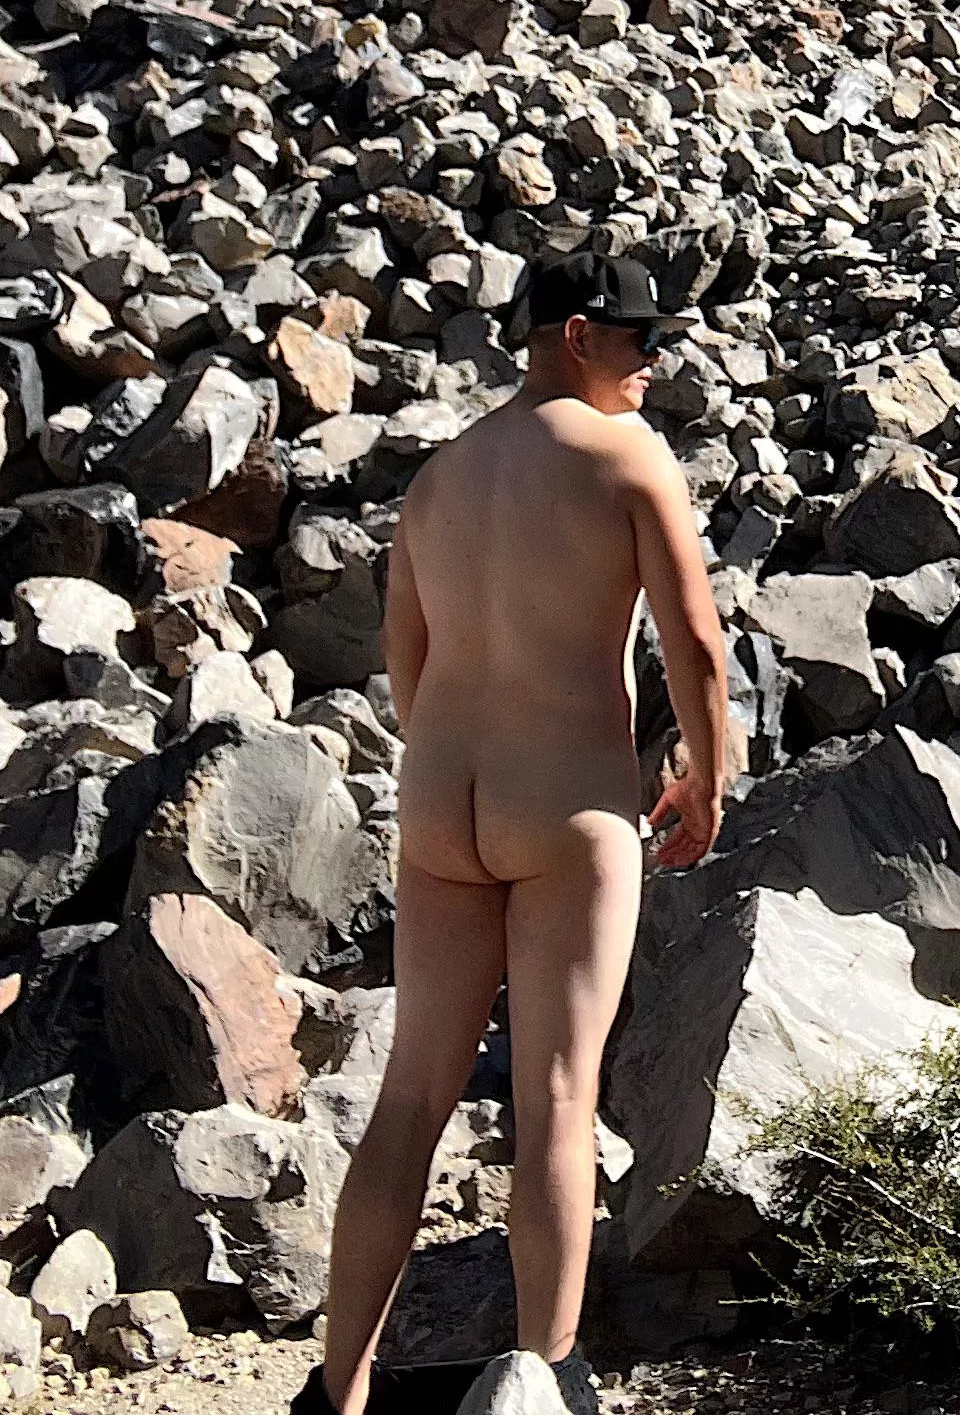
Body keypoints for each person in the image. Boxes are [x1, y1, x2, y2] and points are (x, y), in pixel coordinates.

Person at [293, 250, 731, 1415]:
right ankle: (552, 1377)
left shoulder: (439, 478)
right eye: (642, 341)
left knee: (409, 1099)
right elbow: (694, 639)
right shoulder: (624, 454)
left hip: (442, 806)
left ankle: (336, 1389)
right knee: (555, 1093)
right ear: (576, 333)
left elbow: (408, 666)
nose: (656, 363)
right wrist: (705, 772)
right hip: (568, 807)